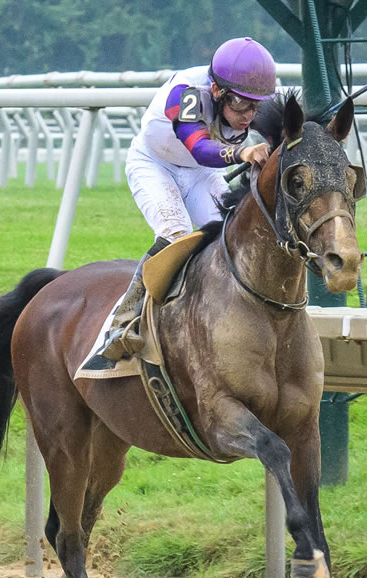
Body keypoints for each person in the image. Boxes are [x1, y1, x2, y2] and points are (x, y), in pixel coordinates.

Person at [94, 37, 277, 363]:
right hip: (154, 163)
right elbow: (200, 149)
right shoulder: (188, 93)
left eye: (257, 106)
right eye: (240, 104)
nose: (249, 116)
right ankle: (124, 319)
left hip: (199, 173)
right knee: (175, 234)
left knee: (230, 232)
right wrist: (242, 152)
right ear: (217, 91)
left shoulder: (245, 103)